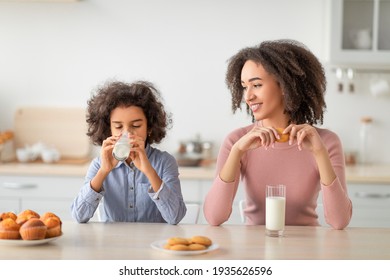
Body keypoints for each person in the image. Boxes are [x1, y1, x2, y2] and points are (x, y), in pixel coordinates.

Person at [204, 39, 352, 229]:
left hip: (307, 250)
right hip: (254, 251)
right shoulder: (238, 141)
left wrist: (319, 153)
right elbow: (214, 217)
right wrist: (237, 151)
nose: (248, 97)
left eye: (256, 85)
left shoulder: (325, 142)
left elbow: (339, 222)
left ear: (284, 85)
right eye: (244, 86)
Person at [71, 80, 186, 224]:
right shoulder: (99, 164)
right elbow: (79, 216)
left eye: (136, 125)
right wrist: (104, 171)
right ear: (109, 129)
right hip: (114, 244)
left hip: (153, 244)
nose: (127, 133)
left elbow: (175, 217)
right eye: (118, 126)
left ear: (149, 127)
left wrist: (149, 170)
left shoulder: (164, 162)